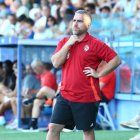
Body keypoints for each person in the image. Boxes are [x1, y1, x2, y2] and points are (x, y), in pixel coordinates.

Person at [46, 10, 121, 140]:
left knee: (87, 131)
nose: (75, 24)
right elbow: (56, 63)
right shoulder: (64, 41)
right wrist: (69, 44)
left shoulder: (96, 44)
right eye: (74, 20)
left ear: (88, 25)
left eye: (80, 21)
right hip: (65, 94)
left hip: (87, 97)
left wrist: (99, 74)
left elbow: (116, 60)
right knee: (53, 128)